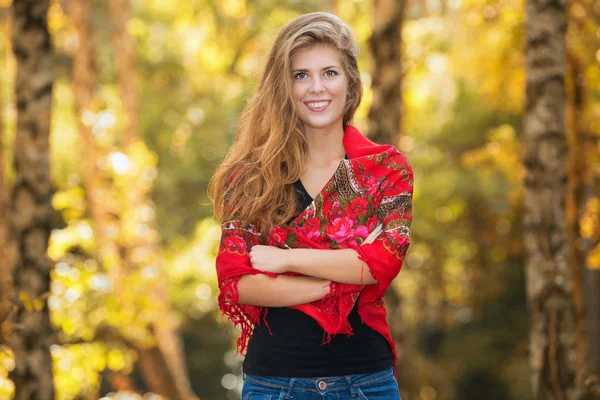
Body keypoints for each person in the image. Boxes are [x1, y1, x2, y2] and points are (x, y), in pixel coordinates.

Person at [209, 11, 413, 400]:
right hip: (274, 384)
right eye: (301, 75)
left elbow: (383, 262)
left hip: (366, 383)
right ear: (283, 87)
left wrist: (287, 261)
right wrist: (337, 277)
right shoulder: (252, 176)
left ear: (351, 84)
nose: (316, 87)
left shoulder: (385, 169)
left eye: (329, 73)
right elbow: (238, 283)